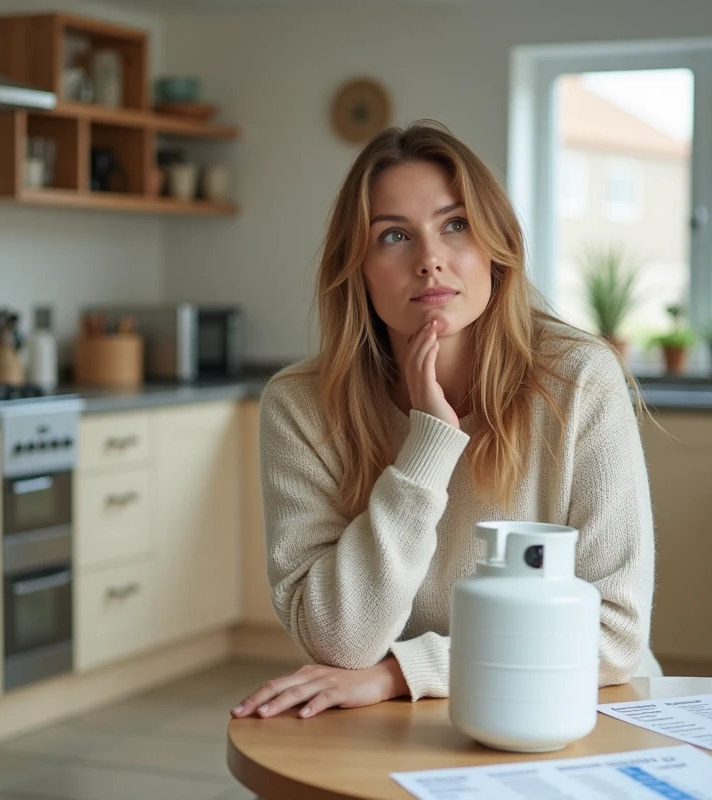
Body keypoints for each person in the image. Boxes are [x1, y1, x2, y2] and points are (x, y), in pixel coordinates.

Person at [231, 120, 658, 723]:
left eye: (455, 225)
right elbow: (337, 642)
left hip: (577, 706)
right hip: (401, 717)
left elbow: (613, 639)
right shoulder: (301, 404)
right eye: (394, 236)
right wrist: (427, 452)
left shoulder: (579, 378)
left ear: (496, 246)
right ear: (358, 266)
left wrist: (400, 672)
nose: (431, 260)